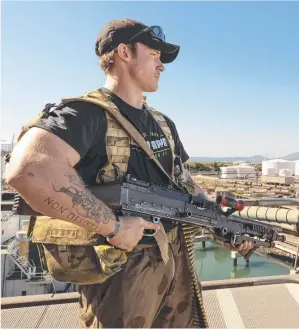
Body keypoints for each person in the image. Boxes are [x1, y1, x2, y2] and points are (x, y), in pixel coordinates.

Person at [5, 18, 254, 328]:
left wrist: (219, 222)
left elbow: (184, 183)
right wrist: (112, 226)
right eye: (154, 54)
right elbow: (29, 170)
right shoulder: (85, 114)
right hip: (121, 273)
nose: (161, 65)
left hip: (174, 260)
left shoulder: (163, 122)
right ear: (124, 52)